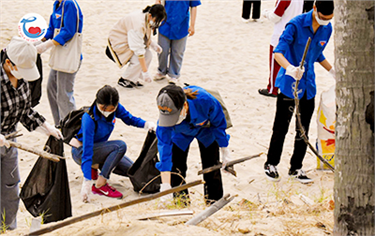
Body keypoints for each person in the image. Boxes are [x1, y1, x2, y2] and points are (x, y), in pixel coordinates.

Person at [264, 0, 335, 183]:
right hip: (290, 84)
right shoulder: (295, 25)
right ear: (314, 9)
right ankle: (271, 164)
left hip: (308, 85)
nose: (325, 21)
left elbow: (317, 53)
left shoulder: (327, 29)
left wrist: (332, 71)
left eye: (329, 18)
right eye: (322, 17)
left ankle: (296, 168)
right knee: (281, 126)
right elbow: (278, 52)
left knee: (302, 129)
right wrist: (290, 69)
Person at [0, 37, 63, 231]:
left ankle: (6, 227)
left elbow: (25, 111)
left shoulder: (22, 81)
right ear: (8, 63)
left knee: (11, 186)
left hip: (9, 142)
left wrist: (46, 127)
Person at [71, 85, 156, 202]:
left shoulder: (116, 109)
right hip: (81, 152)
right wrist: (86, 181)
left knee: (132, 171)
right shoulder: (89, 119)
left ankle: (96, 170)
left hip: (102, 150)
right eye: (103, 108)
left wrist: (147, 125)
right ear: (97, 102)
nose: (107, 111)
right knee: (120, 146)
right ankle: (100, 184)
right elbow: (87, 151)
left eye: (111, 109)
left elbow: (130, 119)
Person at [155, 84, 231, 205]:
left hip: (206, 130)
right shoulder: (164, 123)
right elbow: (165, 151)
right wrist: (165, 185)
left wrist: (225, 150)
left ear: (184, 105)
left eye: (174, 115)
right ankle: (181, 203)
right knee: (176, 169)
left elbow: (219, 124)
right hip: (180, 134)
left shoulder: (205, 100)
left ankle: (214, 202)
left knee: (211, 166)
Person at [35, 0, 83, 126]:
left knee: (64, 94)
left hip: (68, 58)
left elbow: (69, 31)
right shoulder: (57, 4)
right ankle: (60, 124)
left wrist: (48, 45)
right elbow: (52, 29)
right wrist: (39, 42)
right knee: (51, 88)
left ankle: (72, 128)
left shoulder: (69, 4)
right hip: (59, 57)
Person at [106, 4, 166, 88]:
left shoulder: (146, 17)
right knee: (139, 58)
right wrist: (145, 72)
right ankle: (125, 79)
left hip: (128, 39)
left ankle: (134, 78)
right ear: (150, 16)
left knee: (148, 55)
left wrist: (152, 44)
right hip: (118, 43)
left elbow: (143, 35)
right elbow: (138, 50)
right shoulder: (137, 23)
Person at [258, 0, 303, 98]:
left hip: (281, 33)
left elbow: (275, 17)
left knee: (275, 63)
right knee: (290, 61)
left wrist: (266, 13)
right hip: (294, 33)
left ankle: (272, 89)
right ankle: (288, 88)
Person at [153, 0, 201, 84]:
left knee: (177, 52)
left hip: (181, 25)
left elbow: (194, 6)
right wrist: (155, 19)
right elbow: (158, 2)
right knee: (162, 50)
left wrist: (192, 25)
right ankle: (161, 71)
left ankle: (174, 74)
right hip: (165, 23)